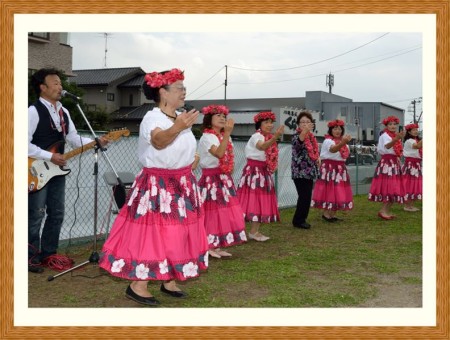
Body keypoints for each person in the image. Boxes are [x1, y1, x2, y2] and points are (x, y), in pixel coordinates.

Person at [98, 68, 208, 307]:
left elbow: (180, 147)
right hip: (158, 186)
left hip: (182, 183)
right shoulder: (153, 117)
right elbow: (159, 142)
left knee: (178, 232)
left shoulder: (179, 117)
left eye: (183, 88)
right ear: (163, 92)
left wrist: (191, 158)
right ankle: (137, 285)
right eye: (178, 87)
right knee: (154, 234)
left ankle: (168, 278)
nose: (184, 91)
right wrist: (178, 127)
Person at [28, 68, 107, 274]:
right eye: (54, 83)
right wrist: (50, 156)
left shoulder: (65, 111)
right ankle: (30, 258)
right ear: (42, 87)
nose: (60, 86)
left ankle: (49, 254)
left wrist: (95, 142)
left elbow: (73, 139)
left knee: (57, 213)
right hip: (36, 170)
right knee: (35, 214)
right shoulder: (32, 111)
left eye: (60, 83)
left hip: (57, 171)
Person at [197, 104, 247, 258]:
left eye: (223, 116)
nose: (222, 118)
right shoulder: (207, 137)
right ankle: (208, 245)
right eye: (218, 115)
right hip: (211, 179)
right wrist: (227, 135)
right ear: (208, 119)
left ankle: (217, 244)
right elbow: (219, 153)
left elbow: (227, 157)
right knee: (212, 212)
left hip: (224, 177)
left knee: (223, 212)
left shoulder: (224, 136)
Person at [237, 111, 284, 241]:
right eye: (266, 122)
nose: (269, 125)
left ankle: (254, 231)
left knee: (260, 201)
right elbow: (262, 147)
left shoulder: (268, 137)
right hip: (254, 172)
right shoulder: (257, 136)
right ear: (259, 124)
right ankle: (240, 230)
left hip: (263, 171)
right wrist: (276, 137)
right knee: (252, 201)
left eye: (271, 122)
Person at [311, 119, 353, 222]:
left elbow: (344, 156)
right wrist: (343, 143)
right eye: (335, 128)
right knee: (329, 190)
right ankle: (326, 214)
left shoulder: (345, 143)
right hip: (330, 168)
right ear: (330, 130)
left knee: (338, 190)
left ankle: (333, 214)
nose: (337, 131)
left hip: (340, 168)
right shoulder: (328, 141)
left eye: (339, 129)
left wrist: (343, 143)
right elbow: (333, 149)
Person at [368, 115, 405, 219]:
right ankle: (383, 210)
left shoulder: (394, 135)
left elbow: (397, 150)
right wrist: (396, 138)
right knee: (389, 186)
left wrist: (398, 157)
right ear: (386, 126)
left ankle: (386, 211)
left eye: (394, 124)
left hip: (394, 161)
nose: (393, 126)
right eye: (390, 124)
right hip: (387, 162)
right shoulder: (385, 135)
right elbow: (387, 146)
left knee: (394, 187)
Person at [291, 110, 320, 229]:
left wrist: (318, 157)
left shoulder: (312, 137)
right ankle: (298, 220)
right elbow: (298, 144)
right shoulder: (296, 135)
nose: (305, 124)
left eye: (308, 122)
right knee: (304, 195)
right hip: (299, 171)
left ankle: (301, 219)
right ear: (298, 124)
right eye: (302, 122)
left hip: (310, 171)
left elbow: (314, 152)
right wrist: (305, 131)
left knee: (307, 196)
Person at [402, 123, 422, 212]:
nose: (416, 131)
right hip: (411, 164)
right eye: (413, 130)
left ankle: (411, 205)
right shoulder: (409, 141)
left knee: (414, 184)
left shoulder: (415, 140)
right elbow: (417, 147)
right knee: (409, 184)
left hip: (416, 164)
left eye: (416, 130)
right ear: (409, 132)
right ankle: (407, 205)